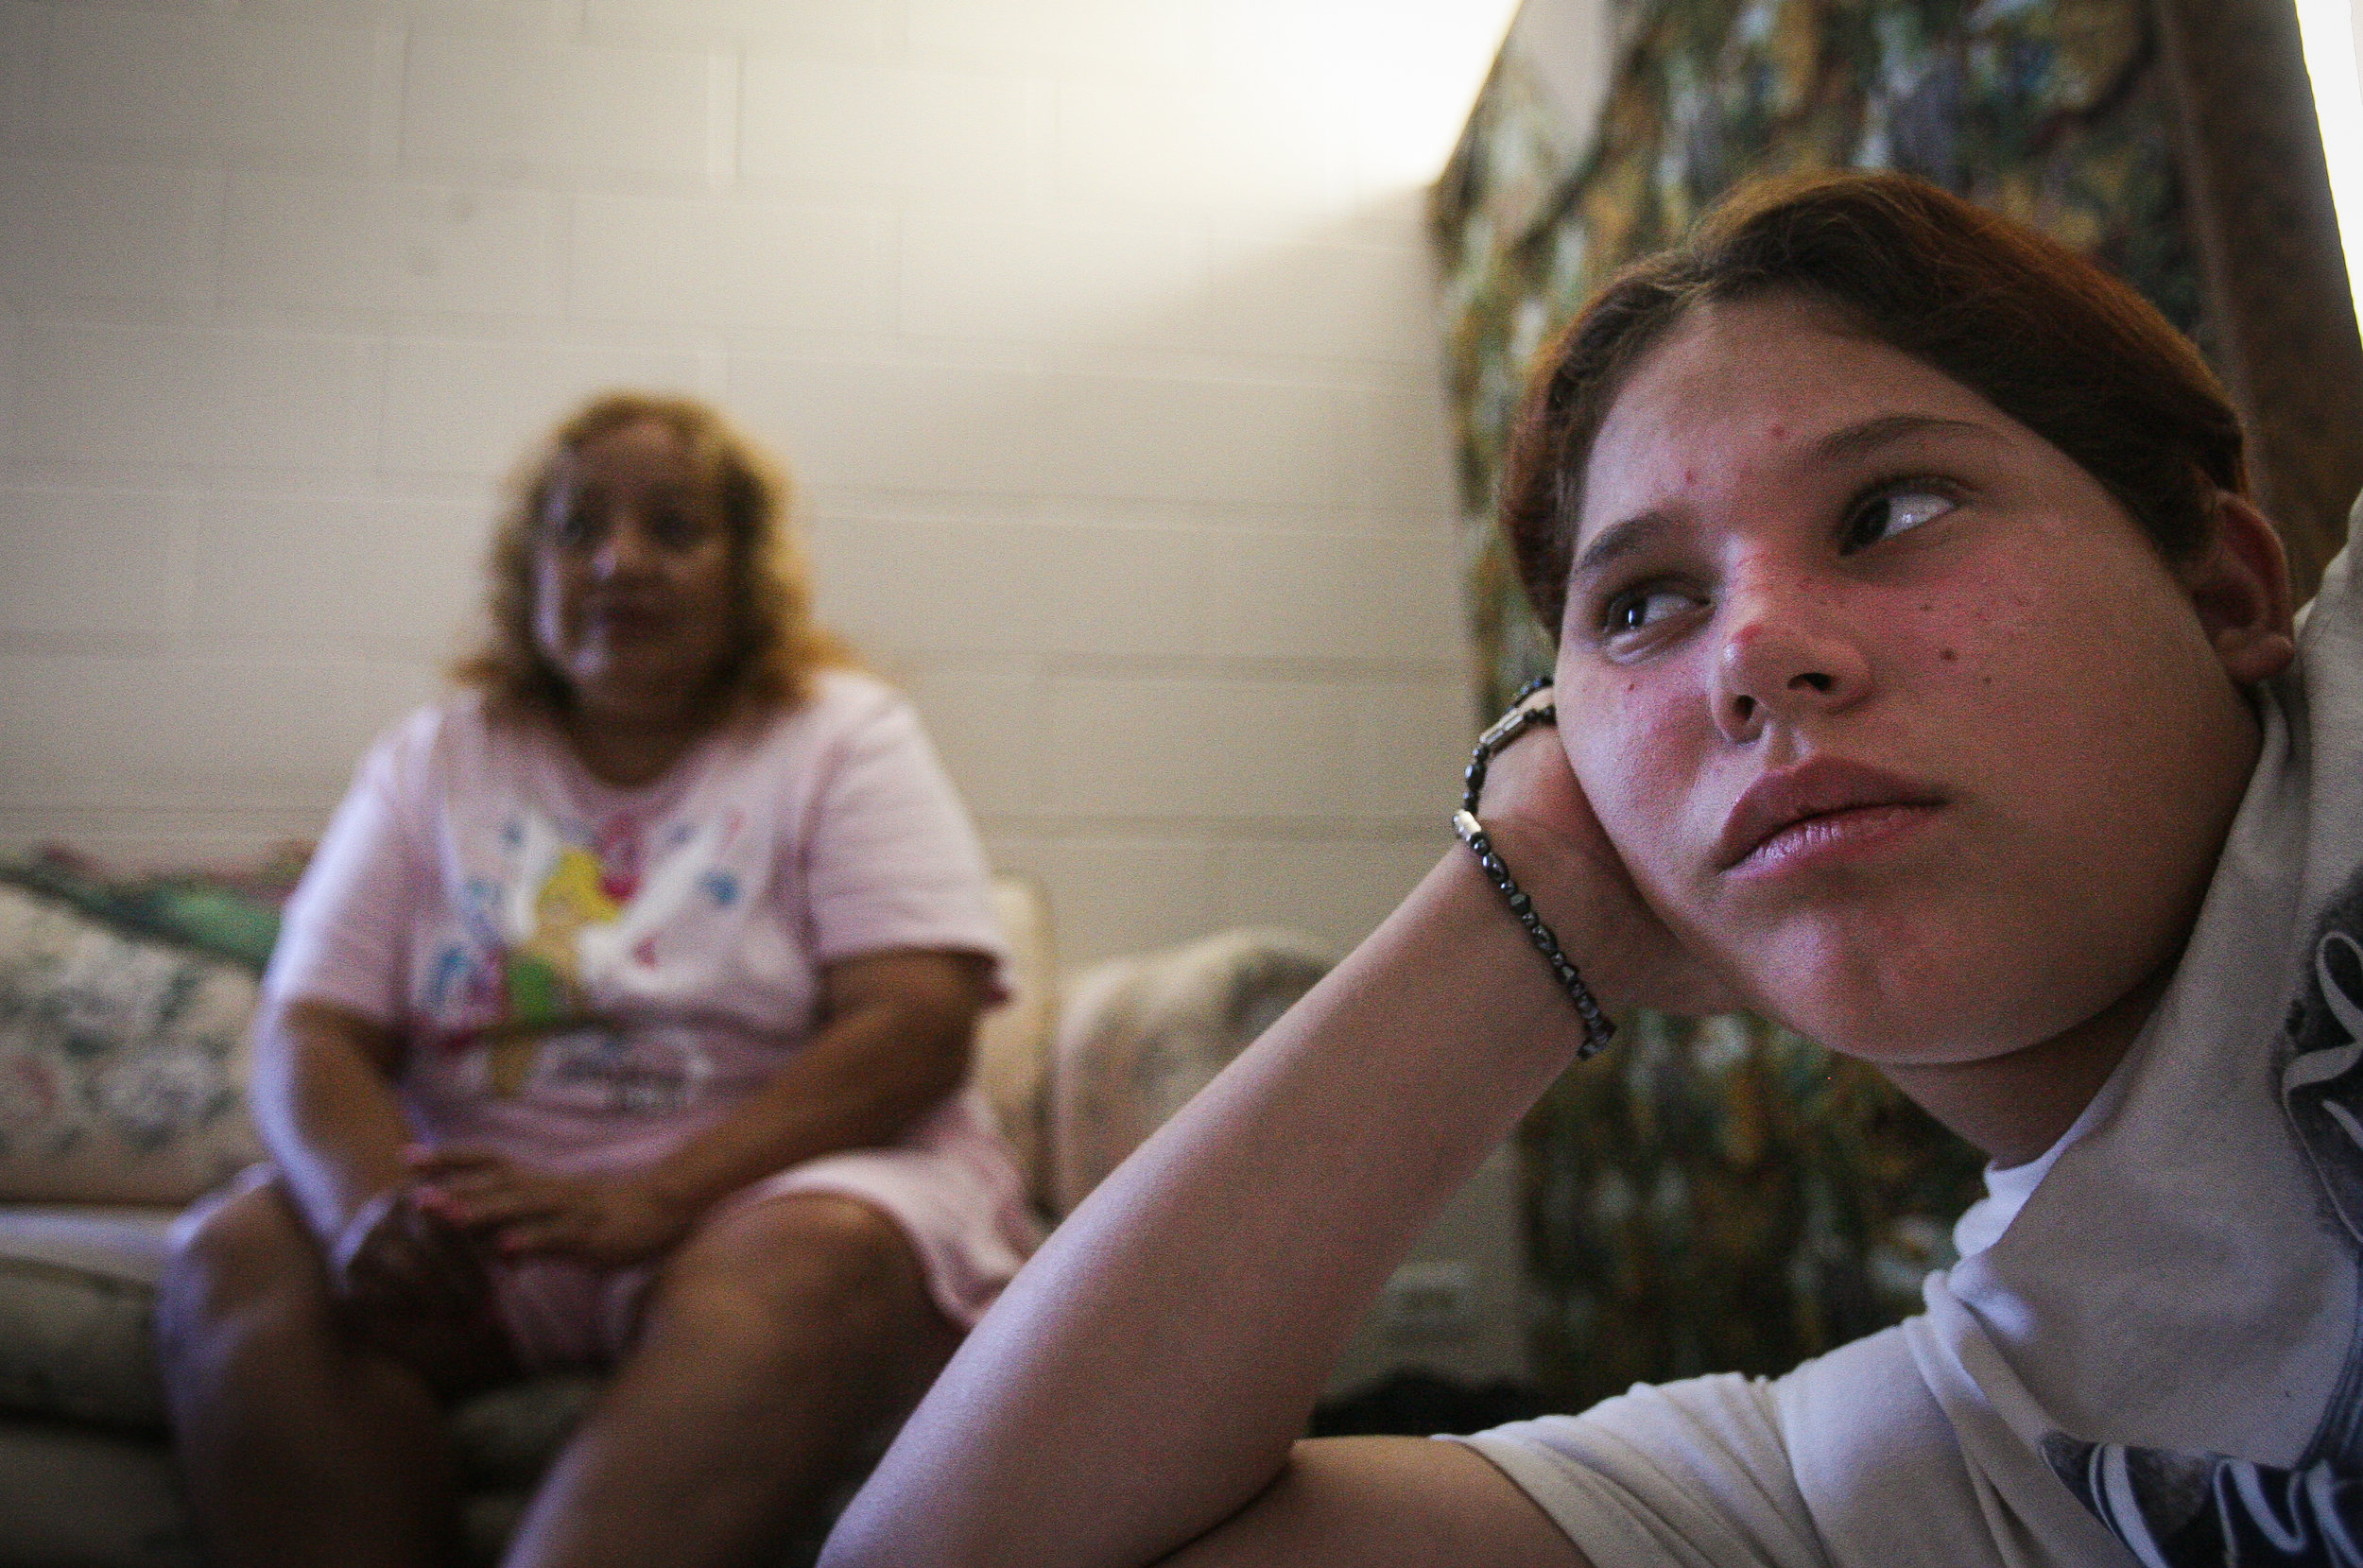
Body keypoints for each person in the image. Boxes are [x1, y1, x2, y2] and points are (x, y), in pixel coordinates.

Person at [819, 172, 2363, 1568]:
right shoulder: (1927, 1477)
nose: (1750, 652)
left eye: (1890, 509)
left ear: (2224, 584)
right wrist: (1536, 885)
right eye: (1644, 606)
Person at [154, 392, 1034, 1568]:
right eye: (577, 531)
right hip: (493, 1213)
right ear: (531, 572)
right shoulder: (436, 760)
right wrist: (372, 1211)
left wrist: (659, 1200)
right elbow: (310, 1028)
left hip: (761, 1190)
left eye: (673, 529)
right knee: (239, 1254)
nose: (620, 562)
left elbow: (917, 1023)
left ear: (746, 571)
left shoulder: (842, 737)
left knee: (806, 1251)